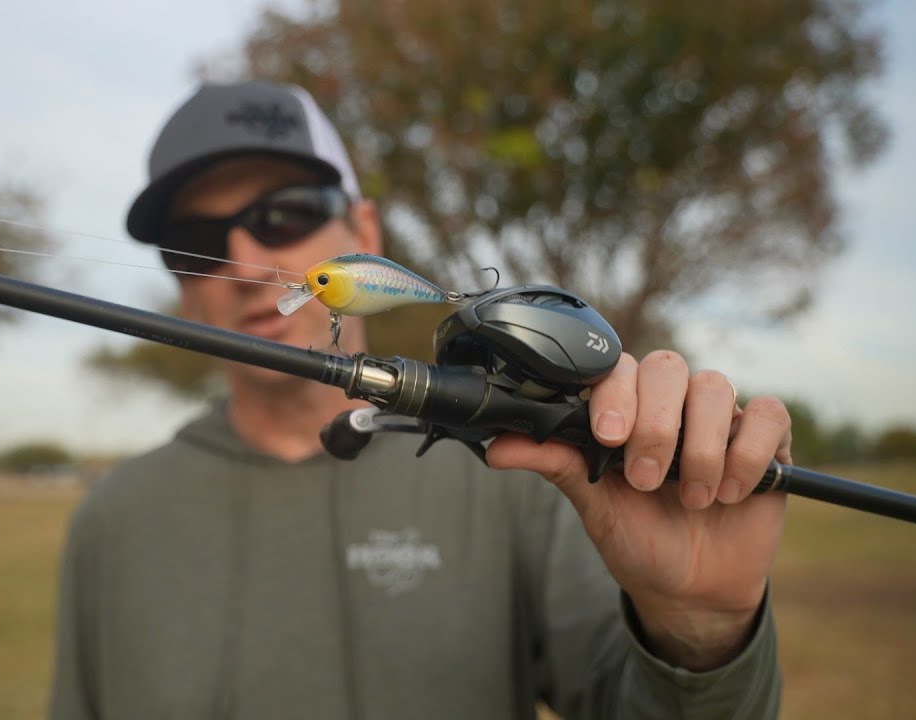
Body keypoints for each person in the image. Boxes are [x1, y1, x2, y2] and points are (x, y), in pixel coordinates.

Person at [49, 81, 792, 719]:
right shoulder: (112, 519)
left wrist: (697, 631)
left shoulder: (523, 471)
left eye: (287, 213)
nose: (244, 263)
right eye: (194, 239)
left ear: (364, 231)